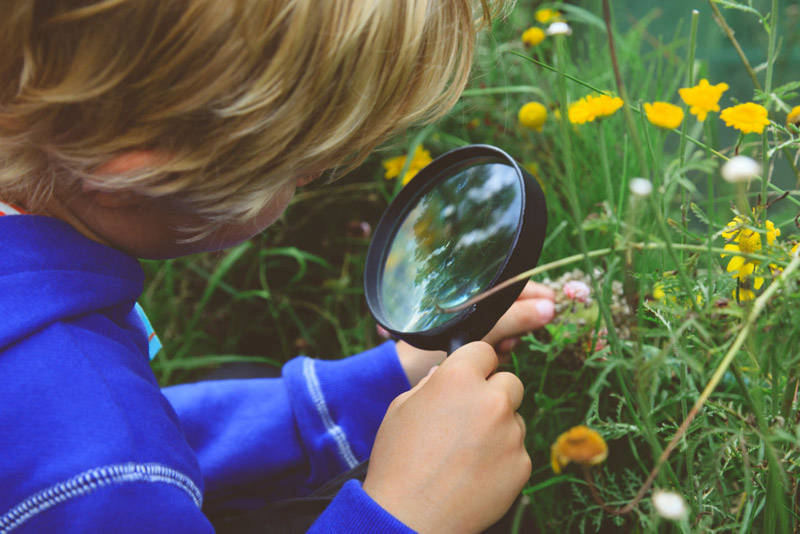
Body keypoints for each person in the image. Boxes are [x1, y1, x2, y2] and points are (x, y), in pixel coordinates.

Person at [0, 1, 556, 532]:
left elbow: (133, 433)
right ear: (137, 174)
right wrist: (409, 513)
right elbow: (115, 466)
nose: (306, 184)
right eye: (303, 172)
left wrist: (375, 384)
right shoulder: (100, 475)